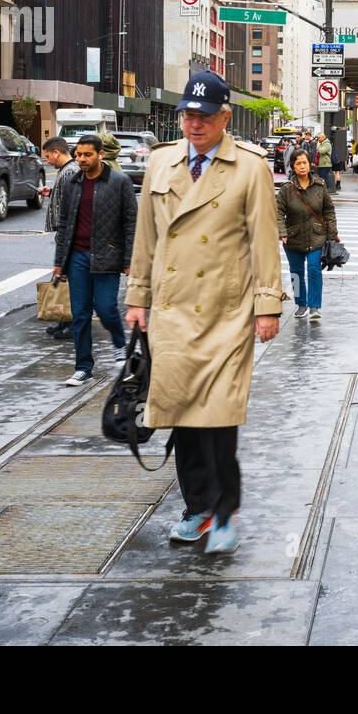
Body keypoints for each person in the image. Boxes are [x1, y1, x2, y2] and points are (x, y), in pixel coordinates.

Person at [125, 71, 283, 555]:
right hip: (172, 312)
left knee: (219, 416)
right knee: (182, 415)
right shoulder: (161, 163)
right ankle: (197, 509)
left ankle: (225, 508)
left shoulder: (250, 167)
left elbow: (262, 241)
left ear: (224, 118)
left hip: (225, 311)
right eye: (188, 116)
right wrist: (137, 298)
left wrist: (268, 306)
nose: (194, 125)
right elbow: (147, 239)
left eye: (205, 117)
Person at [53, 135, 138, 386]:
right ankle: (83, 367)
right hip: (77, 255)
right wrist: (60, 260)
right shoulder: (73, 183)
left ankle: (120, 345)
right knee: (80, 313)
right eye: (78, 154)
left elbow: (131, 222)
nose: (81, 159)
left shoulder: (119, 182)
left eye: (87, 155)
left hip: (107, 254)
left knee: (106, 308)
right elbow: (65, 223)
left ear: (100, 155)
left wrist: (129, 258)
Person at [276, 150, 338, 322]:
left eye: (305, 162)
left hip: (316, 235)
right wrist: (282, 232)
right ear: (293, 166)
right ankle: (300, 304)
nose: (302, 166)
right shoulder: (287, 189)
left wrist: (332, 233)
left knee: (313, 270)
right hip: (293, 237)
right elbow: (279, 212)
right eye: (298, 163)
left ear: (310, 164)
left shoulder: (320, 185)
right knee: (296, 273)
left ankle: (314, 307)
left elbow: (329, 210)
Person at [41, 136, 80, 339]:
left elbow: (73, 205)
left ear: (57, 152)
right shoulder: (66, 171)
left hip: (69, 234)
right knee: (65, 278)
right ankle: (64, 321)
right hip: (65, 232)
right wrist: (52, 192)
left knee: (71, 280)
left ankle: (72, 324)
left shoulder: (70, 171)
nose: (47, 160)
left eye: (48, 156)